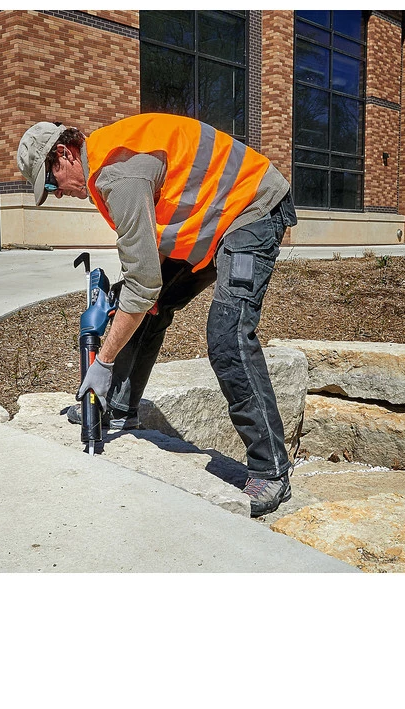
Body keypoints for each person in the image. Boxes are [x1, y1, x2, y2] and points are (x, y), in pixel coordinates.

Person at [16, 113, 298, 517]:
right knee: (147, 304)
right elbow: (149, 273)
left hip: (253, 208)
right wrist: (142, 295)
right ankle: (118, 408)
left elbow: (143, 283)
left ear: (64, 154)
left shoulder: (117, 175)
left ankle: (270, 470)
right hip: (216, 219)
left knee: (227, 333)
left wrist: (103, 361)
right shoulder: (106, 165)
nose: (56, 194)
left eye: (50, 184)